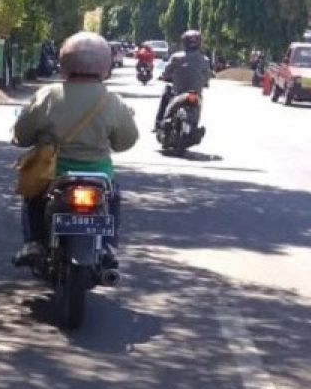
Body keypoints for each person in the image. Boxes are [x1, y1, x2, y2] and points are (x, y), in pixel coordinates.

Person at [12, 32, 139, 266]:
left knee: (33, 196)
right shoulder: (113, 101)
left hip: (53, 175)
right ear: (105, 65)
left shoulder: (48, 95)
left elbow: (22, 135)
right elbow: (126, 142)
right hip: (99, 175)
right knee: (113, 197)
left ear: (63, 63)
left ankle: (34, 242)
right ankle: (109, 246)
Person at [155, 30, 213, 131]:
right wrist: (205, 82)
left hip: (178, 93)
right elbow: (207, 75)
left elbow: (166, 72)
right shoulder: (205, 60)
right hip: (195, 94)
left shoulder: (176, 57)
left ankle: (158, 123)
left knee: (166, 92)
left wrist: (163, 76)